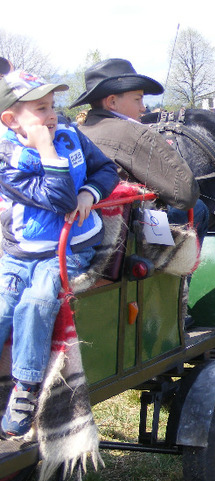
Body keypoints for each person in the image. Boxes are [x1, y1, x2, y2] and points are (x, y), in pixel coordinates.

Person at [0, 70, 119, 436]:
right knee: (4, 304)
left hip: (71, 249)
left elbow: (105, 169)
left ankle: (26, 386)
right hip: (23, 250)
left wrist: (91, 194)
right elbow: (58, 198)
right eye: (40, 109)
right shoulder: (8, 157)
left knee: (36, 301)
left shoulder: (70, 136)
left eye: (52, 106)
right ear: (10, 120)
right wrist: (46, 150)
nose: (52, 115)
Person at [70, 59, 209, 246]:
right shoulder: (133, 132)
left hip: (84, 231)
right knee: (198, 208)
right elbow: (186, 193)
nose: (143, 108)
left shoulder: (79, 132)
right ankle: (177, 274)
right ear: (112, 102)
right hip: (123, 238)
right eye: (137, 99)